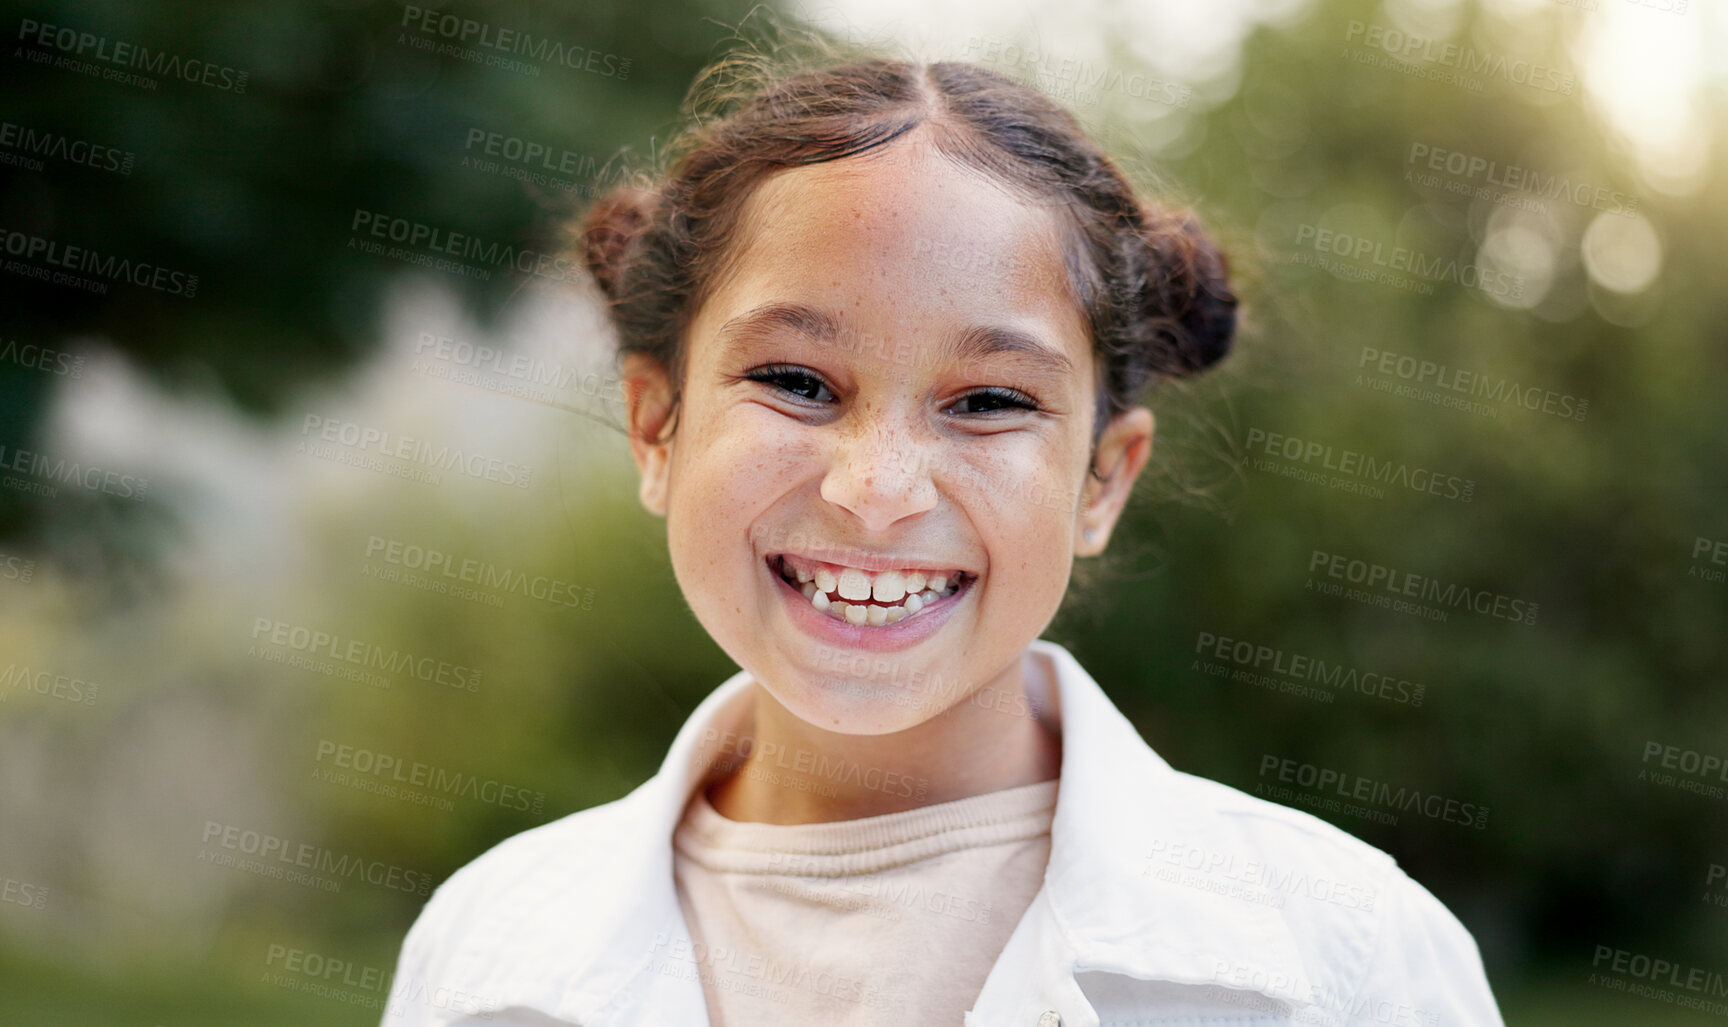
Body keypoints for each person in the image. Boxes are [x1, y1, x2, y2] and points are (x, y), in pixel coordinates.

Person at [380, 45, 1504, 1027]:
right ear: (657, 427)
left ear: (1104, 481)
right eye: (796, 381)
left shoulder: (1351, 957)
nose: (877, 490)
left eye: (990, 401)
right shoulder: (480, 952)